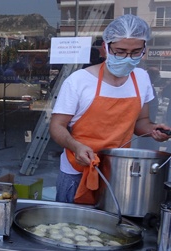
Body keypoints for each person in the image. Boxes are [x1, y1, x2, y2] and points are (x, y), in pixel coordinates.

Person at [50, 14, 171, 204]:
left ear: (144, 50)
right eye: (120, 51)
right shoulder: (79, 81)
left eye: (135, 52)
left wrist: (153, 130)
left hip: (120, 172)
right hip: (78, 170)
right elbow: (57, 126)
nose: (127, 58)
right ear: (105, 48)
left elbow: (141, 122)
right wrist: (76, 147)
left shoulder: (141, 78)